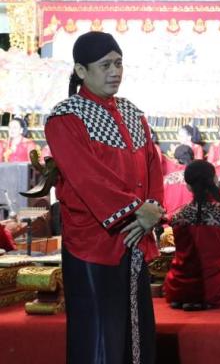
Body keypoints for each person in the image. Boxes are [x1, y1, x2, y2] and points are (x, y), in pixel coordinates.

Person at [44, 31, 164, 364]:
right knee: (100, 332)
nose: (115, 71)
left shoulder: (132, 112)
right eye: (106, 64)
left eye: (119, 63)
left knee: (136, 329)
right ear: (81, 71)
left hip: (135, 235)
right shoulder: (65, 117)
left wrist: (153, 208)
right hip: (94, 242)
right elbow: (87, 177)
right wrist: (135, 212)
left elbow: (153, 164)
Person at [163, 160, 220, 310]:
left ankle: (190, 298)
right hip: (217, 290)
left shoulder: (177, 216)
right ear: (215, 180)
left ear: (188, 186)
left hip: (177, 288)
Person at [162, 145, 194, 216]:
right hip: (192, 221)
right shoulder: (198, 178)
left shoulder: (167, 179)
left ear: (176, 160)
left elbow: (161, 205)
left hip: (170, 222)